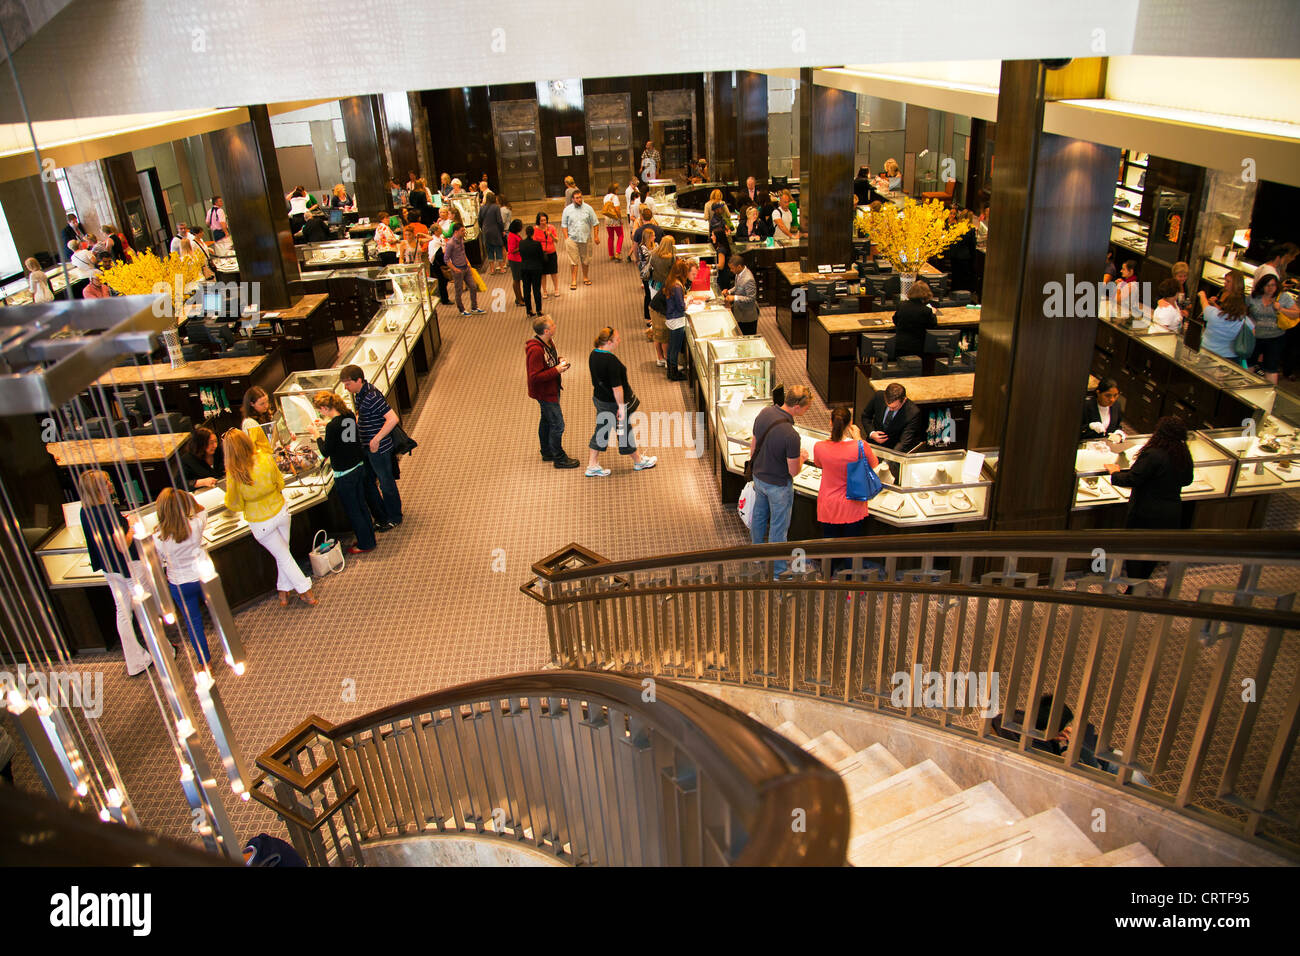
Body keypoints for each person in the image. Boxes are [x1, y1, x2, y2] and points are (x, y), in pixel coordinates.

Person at [223, 429, 317, 606]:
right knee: (283, 553)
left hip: (260, 521)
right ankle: (283, 591)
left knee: (283, 556)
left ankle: (306, 591)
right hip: (280, 510)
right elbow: (280, 482)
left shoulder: (234, 473)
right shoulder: (265, 458)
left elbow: (234, 503)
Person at [77, 470, 155, 675]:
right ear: (97, 488)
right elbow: (123, 544)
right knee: (145, 608)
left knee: (123, 612)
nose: (110, 484)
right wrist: (129, 526)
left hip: (109, 568)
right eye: (106, 482)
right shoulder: (108, 511)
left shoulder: (85, 511)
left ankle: (136, 661)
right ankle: (159, 651)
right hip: (128, 566)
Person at [1104, 416, 1194, 580]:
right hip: (1171, 512)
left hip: (1146, 512)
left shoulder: (1153, 454)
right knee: (1153, 550)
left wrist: (1115, 473)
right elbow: (1187, 480)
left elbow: (1133, 478)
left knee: (1135, 549)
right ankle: (1142, 581)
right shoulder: (1184, 454)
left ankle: (1133, 587)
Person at [748, 385, 813, 576]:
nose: (807, 411)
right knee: (778, 528)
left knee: (759, 515)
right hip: (778, 486)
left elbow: (753, 446)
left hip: (758, 477)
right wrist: (802, 457)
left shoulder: (765, 412)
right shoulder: (791, 435)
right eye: (807, 408)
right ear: (797, 407)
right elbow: (793, 471)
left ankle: (757, 553)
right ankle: (778, 571)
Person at [813, 407, 879, 575]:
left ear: (830, 423)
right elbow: (873, 464)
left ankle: (826, 576)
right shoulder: (859, 446)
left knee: (828, 545)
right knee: (851, 547)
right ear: (850, 424)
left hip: (829, 504)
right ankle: (851, 586)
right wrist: (858, 438)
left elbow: (819, 464)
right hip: (853, 504)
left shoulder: (820, 447)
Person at [310, 391, 377, 554]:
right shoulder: (347, 415)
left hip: (345, 474)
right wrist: (326, 425)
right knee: (362, 505)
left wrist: (317, 435)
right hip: (358, 466)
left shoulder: (333, 426)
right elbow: (344, 434)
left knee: (353, 510)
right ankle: (367, 537)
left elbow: (326, 451)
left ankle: (365, 544)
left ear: (325, 408)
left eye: (320, 411)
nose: (321, 413)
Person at [152, 488, 212, 666]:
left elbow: (159, 560)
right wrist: (189, 499)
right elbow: (202, 509)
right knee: (218, 613)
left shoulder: (158, 537)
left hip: (179, 583)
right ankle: (232, 649)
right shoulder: (195, 524)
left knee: (193, 623)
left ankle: (205, 663)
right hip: (203, 576)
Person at [586, 326, 656, 476]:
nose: (620, 341)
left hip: (599, 399)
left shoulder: (594, 354)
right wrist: (622, 408)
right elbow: (617, 388)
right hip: (612, 403)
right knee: (623, 431)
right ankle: (638, 461)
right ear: (609, 342)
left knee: (602, 430)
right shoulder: (611, 361)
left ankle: (592, 464)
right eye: (617, 339)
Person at [339, 364, 402, 528]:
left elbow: (393, 418)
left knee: (386, 483)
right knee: (373, 481)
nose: (346, 388)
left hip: (378, 449)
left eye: (348, 384)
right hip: (368, 448)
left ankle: (394, 517)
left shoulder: (372, 396)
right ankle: (384, 514)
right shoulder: (360, 394)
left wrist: (376, 439)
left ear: (358, 380)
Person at [526, 316, 579, 469]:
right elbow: (534, 376)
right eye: (553, 325)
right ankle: (559, 458)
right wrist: (556, 370)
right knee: (558, 424)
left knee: (546, 420)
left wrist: (558, 361)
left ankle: (547, 451)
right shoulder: (535, 350)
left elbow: (548, 361)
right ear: (546, 331)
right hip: (545, 392)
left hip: (552, 387)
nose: (556, 326)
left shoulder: (548, 342)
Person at [862, 382, 925, 452]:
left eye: (894, 407)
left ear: (904, 400)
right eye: (888, 406)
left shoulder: (913, 413)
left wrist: (890, 460)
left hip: (893, 449)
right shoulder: (878, 396)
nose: (890, 409)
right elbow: (866, 416)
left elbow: (904, 442)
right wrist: (871, 433)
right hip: (872, 445)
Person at [1247, 273, 1287, 384]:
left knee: (1271, 368)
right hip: (1255, 336)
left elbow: (1296, 313)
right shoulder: (1253, 297)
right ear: (1262, 286)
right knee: (1249, 363)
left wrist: (1281, 309)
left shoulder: (1283, 297)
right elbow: (1243, 312)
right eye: (1267, 285)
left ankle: (1270, 394)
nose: (1270, 288)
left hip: (1275, 337)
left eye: (1273, 285)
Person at [1198, 289, 1252, 362]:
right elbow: (1252, 331)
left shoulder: (1213, 313)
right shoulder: (1244, 320)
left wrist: (1202, 295)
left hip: (1206, 350)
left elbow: (1204, 304)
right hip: (1229, 357)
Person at [561, 190, 599, 290]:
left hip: (586, 238)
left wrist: (596, 236)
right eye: (577, 198)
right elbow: (564, 225)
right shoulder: (567, 210)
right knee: (573, 261)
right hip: (572, 239)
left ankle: (585, 277)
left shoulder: (588, 208)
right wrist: (566, 239)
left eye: (580, 197)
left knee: (586, 259)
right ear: (572, 199)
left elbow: (595, 223)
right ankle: (573, 280)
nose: (579, 200)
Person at [445, 220, 483, 316]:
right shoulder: (450, 243)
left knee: (473, 287)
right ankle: (461, 309)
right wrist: (454, 269)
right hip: (458, 269)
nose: (464, 232)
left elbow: (463, 253)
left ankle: (474, 307)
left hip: (465, 267)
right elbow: (446, 259)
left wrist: (468, 263)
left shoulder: (461, 240)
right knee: (459, 290)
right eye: (462, 230)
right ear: (456, 231)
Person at [892, 280, 938, 357]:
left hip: (899, 346)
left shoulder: (901, 305)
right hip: (918, 348)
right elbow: (933, 325)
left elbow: (895, 320)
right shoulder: (926, 310)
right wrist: (933, 313)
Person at [663, 260, 689, 381]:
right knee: (675, 347)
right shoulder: (678, 286)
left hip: (671, 318)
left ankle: (670, 370)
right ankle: (674, 373)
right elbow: (680, 306)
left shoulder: (671, 282)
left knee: (671, 347)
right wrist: (687, 304)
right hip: (677, 319)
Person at [725, 256, 760, 336]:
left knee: (748, 340)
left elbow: (751, 298)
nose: (731, 270)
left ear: (739, 267)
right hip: (740, 313)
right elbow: (737, 287)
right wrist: (729, 292)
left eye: (732, 268)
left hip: (748, 316)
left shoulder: (749, 279)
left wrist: (734, 298)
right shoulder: (738, 274)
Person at [181, 425, 222, 490]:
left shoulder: (218, 451)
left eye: (216, 441)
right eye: (211, 443)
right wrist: (201, 482)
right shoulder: (188, 459)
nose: (215, 445)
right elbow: (180, 484)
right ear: (201, 444)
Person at [519, 224, 546, 317]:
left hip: (524, 268)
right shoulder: (537, 244)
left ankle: (529, 310)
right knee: (536, 290)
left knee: (526, 290)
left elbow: (521, 254)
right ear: (533, 233)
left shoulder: (521, 243)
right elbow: (541, 257)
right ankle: (539, 310)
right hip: (536, 268)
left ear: (526, 233)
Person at [241, 386, 275, 454]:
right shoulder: (250, 423)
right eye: (262, 404)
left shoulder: (265, 413)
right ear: (252, 404)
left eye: (267, 402)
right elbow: (252, 448)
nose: (266, 406)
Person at [478, 192, 505, 274]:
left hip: (486, 231)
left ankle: (492, 269)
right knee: (498, 248)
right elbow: (499, 220)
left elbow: (479, 220)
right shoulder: (496, 207)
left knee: (489, 250)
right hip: (495, 231)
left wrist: (483, 228)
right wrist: (502, 230)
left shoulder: (482, 208)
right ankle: (501, 268)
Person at [535, 212, 560, 298]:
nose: (543, 222)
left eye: (544, 220)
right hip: (541, 254)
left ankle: (556, 289)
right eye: (541, 220)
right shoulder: (535, 230)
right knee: (542, 273)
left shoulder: (551, 228)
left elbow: (557, 240)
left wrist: (551, 235)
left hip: (551, 253)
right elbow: (534, 242)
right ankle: (544, 291)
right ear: (538, 221)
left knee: (553, 272)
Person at [506, 218, 525, 306]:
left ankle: (520, 297)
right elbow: (512, 250)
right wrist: (522, 246)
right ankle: (518, 298)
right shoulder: (511, 236)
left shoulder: (516, 234)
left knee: (518, 279)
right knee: (516, 280)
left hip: (519, 259)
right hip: (514, 260)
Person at [601, 183, 624, 259]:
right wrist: (620, 218)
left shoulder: (605, 197)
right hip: (615, 218)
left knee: (610, 237)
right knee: (620, 235)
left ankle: (611, 254)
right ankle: (618, 252)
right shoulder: (615, 197)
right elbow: (617, 209)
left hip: (607, 218)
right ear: (615, 190)